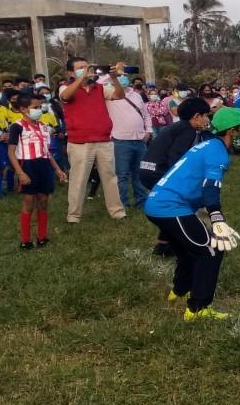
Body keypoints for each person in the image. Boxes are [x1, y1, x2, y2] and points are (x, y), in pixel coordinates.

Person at [144, 107, 240, 322]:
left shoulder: (207, 145)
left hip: (159, 204)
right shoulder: (217, 151)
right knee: (211, 250)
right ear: (231, 131)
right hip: (170, 206)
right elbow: (211, 187)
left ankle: (180, 291)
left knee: (187, 250)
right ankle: (198, 308)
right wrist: (217, 219)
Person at [141, 97, 213, 256]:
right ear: (196, 116)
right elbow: (176, 157)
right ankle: (180, 241)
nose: (207, 119)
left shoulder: (176, 127)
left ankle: (164, 243)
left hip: (148, 171)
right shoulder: (188, 130)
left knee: (171, 206)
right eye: (206, 115)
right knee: (180, 205)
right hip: (157, 173)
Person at [58, 57, 127, 223]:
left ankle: (117, 212)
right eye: (81, 67)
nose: (86, 69)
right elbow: (65, 97)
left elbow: (119, 95)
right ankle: (73, 216)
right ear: (70, 72)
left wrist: (114, 78)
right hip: (79, 142)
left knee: (110, 177)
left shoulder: (99, 88)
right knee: (78, 180)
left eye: (87, 67)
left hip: (103, 140)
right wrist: (81, 79)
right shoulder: (66, 87)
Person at [7, 91, 68, 249]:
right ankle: (25, 240)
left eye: (40, 107)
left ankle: (42, 238)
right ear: (23, 109)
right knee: (29, 202)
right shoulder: (17, 127)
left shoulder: (43, 127)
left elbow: (46, 151)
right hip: (28, 166)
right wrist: (20, 173)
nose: (39, 110)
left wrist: (58, 170)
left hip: (44, 166)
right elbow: (11, 152)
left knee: (43, 201)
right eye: (35, 107)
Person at [106, 69, 153, 210]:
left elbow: (146, 115)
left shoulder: (137, 95)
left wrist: (148, 131)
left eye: (124, 75)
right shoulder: (109, 94)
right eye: (119, 76)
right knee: (122, 174)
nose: (122, 78)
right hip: (120, 140)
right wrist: (110, 76)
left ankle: (142, 201)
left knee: (139, 173)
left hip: (140, 140)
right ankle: (122, 204)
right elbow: (98, 82)